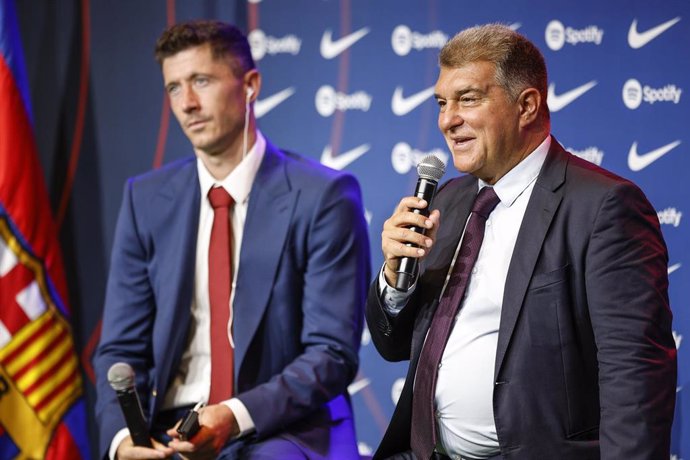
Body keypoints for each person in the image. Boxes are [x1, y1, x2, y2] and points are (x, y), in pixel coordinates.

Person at [366, 23, 676, 460]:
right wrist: (398, 279)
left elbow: (635, 379)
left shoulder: (604, 207)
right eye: (441, 102)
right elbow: (393, 346)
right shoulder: (450, 200)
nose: (447, 120)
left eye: (467, 99)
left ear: (527, 105)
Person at [94, 20, 370, 460]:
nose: (186, 104)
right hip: (171, 426)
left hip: (281, 425)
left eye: (201, 81)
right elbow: (120, 348)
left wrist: (235, 414)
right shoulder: (145, 199)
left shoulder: (322, 196)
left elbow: (331, 353)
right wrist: (123, 439)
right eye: (173, 88)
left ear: (250, 85)